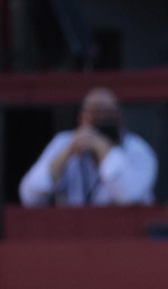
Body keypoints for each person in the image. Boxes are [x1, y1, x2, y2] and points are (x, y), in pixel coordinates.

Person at [19, 87, 158, 208]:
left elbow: (130, 198)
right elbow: (29, 196)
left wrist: (103, 148)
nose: (102, 119)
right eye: (95, 114)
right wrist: (66, 153)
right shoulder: (64, 142)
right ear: (81, 118)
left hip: (125, 228)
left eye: (108, 114)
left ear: (120, 117)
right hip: (71, 227)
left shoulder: (138, 150)